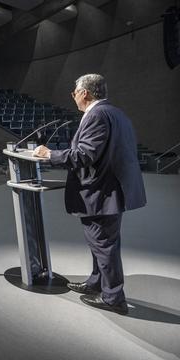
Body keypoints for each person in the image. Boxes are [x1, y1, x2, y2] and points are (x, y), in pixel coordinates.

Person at [32, 74, 146, 315]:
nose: (73, 97)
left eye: (74, 92)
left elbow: (84, 155)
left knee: (104, 245)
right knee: (102, 243)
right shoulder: (116, 113)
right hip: (111, 191)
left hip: (102, 193)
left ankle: (114, 297)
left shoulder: (95, 115)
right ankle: (96, 282)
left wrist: (49, 154)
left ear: (84, 93)